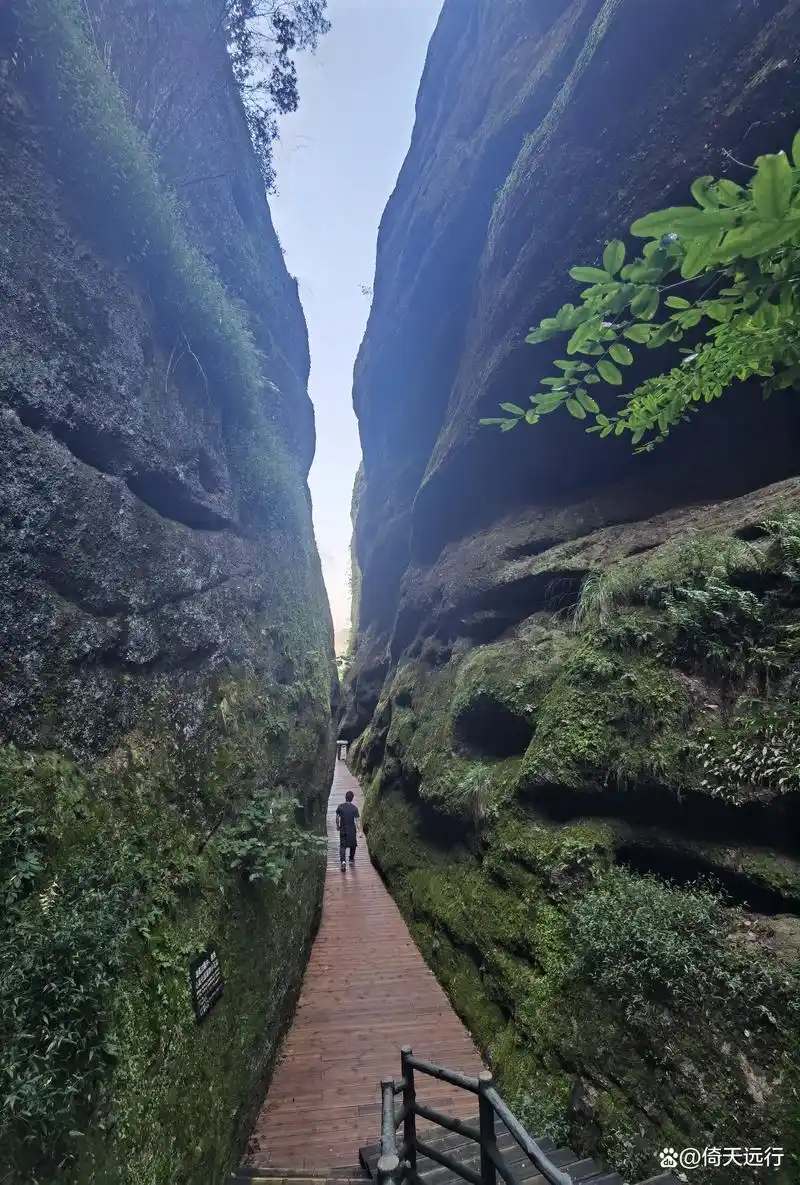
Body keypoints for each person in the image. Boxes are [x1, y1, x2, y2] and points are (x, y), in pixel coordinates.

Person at [335, 789, 361, 871]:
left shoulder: (340, 807)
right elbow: (357, 820)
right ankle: (351, 859)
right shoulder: (354, 809)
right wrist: (359, 831)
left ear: (345, 797)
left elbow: (337, 818)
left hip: (343, 829)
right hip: (352, 829)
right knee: (353, 845)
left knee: (342, 846)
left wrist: (338, 826)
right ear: (352, 798)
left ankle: (343, 862)